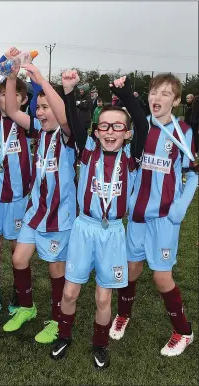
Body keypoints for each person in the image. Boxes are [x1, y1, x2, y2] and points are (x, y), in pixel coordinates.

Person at [50, 71, 149, 369]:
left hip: (113, 232)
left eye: (117, 127)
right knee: (70, 291)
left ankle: (100, 344)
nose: (109, 131)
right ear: (95, 131)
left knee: (104, 299)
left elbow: (142, 123)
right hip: (84, 228)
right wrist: (68, 92)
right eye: (103, 126)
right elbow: (74, 122)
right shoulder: (88, 151)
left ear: (127, 134)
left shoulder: (132, 157)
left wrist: (129, 95)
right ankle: (64, 335)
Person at [111, 73, 197, 357]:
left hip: (164, 217)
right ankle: (123, 314)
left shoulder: (183, 131)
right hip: (137, 213)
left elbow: (193, 172)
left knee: (162, 278)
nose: (157, 98)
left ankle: (184, 332)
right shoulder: (141, 126)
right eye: (153, 92)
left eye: (164, 94)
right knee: (131, 268)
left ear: (175, 100)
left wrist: (180, 207)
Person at [2, 62, 74, 345]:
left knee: (56, 270)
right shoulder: (39, 133)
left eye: (46, 107)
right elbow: (10, 110)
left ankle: (57, 320)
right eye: (39, 107)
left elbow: (65, 117)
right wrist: (11, 77)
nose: (41, 112)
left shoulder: (69, 137)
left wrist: (42, 81)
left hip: (59, 217)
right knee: (19, 259)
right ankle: (27, 307)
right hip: (35, 211)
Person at [0, 47, 33, 314]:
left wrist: (26, 67)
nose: (5, 98)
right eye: (1, 94)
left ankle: (17, 292)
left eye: (12, 95)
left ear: (22, 100)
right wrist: (5, 62)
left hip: (18, 197)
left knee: (16, 248)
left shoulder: (26, 123)